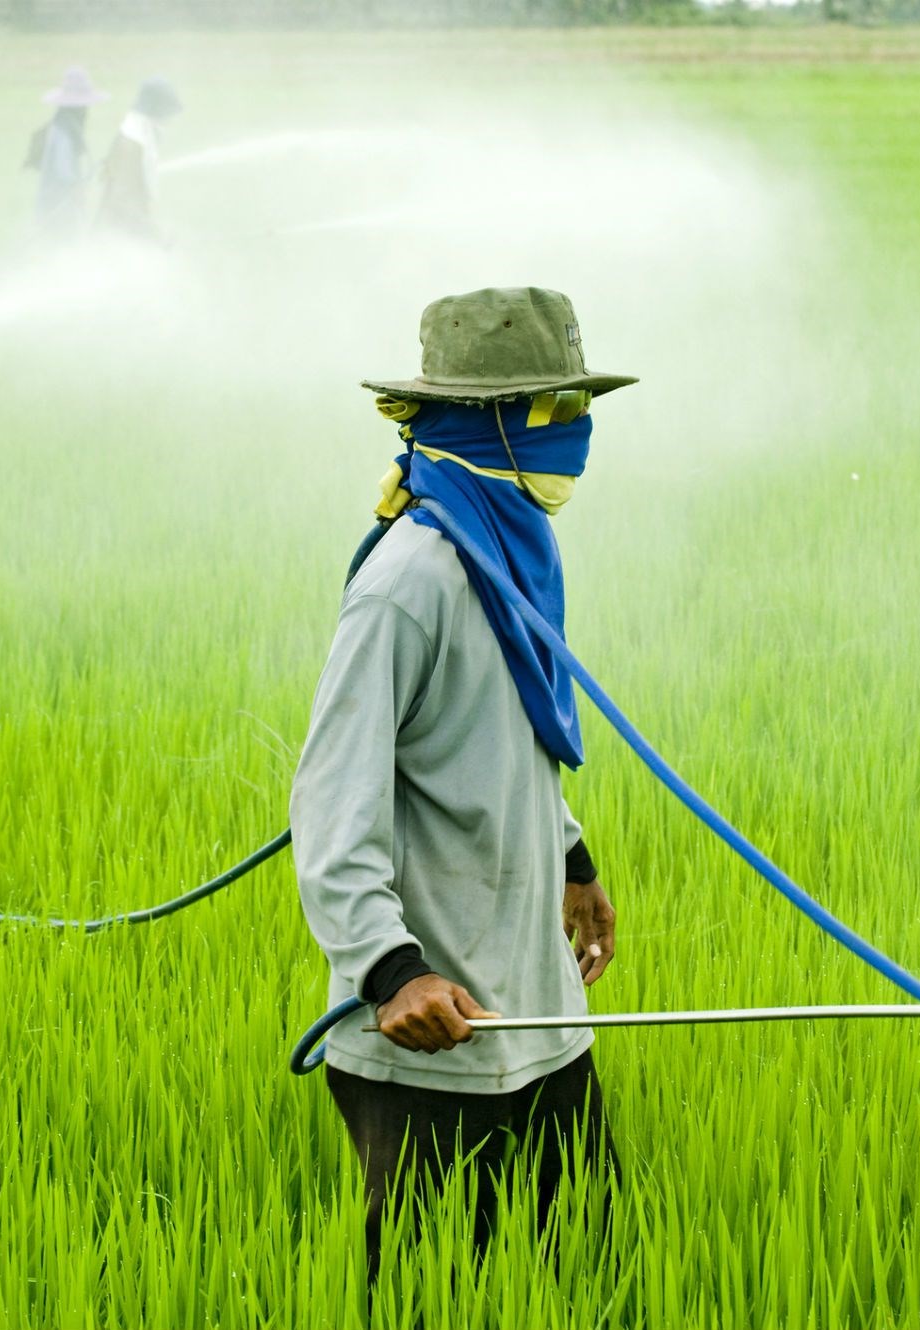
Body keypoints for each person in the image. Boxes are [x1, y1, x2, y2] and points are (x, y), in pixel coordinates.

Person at [292, 287, 638, 1281]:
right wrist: (390, 973)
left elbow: (505, 732)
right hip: (432, 1035)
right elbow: (329, 804)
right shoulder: (407, 583)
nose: (573, 435)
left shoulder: (508, 551)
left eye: (578, 410)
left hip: (538, 1016)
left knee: (584, 1274)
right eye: (553, 412)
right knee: (427, 1289)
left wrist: (569, 854)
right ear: (485, 421)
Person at [96, 77, 181, 243]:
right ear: (158, 109)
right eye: (167, 111)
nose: (170, 119)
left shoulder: (138, 134)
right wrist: (154, 235)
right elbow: (123, 201)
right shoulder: (132, 144)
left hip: (126, 228)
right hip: (120, 234)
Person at [25, 67, 105, 241]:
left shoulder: (64, 125)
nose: (86, 110)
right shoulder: (63, 132)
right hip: (57, 211)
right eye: (84, 106)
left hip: (56, 209)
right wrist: (77, 188)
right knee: (59, 248)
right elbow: (64, 172)